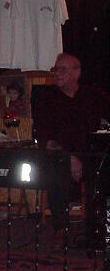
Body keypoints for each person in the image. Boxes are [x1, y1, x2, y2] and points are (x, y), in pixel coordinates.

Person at [33, 52, 109, 233]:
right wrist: (70, 159)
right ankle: (61, 229)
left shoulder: (92, 96)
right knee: (55, 168)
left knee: (103, 168)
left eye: (63, 69)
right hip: (60, 156)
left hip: (89, 156)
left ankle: (97, 227)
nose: (57, 73)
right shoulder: (46, 98)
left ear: (77, 73)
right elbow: (45, 138)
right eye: (56, 69)